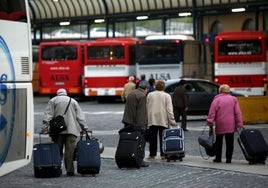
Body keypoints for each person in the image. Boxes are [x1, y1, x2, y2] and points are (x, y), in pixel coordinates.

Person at [42, 88, 88, 176]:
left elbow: (48, 115)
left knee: (57, 151)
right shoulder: (73, 101)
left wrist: (45, 129)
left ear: (57, 93)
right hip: (71, 131)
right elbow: (80, 116)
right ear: (66, 93)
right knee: (69, 152)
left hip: (57, 131)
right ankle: (70, 171)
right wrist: (84, 128)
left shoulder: (53, 101)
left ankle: (57, 169)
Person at [206, 84, 243, 163]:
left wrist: (210, 121)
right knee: (230, 142)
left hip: (220, 123)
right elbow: (237, 113)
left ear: (220, 91)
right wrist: (239, 123)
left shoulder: (216, 100)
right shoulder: (233, 99)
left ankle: (218, 158)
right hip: (230, 123)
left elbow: (212, 112)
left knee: (219, 142)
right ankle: (228, 159)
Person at [122, 80, 150, 167]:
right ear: (146, 89)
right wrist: (142, 126)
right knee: (140, 143)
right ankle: (140, 160)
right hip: (136, 124)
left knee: (129, 142)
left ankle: (128, 158)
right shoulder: (142, 96)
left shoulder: (132, 93)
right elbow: (141, 113)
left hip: (127, 121)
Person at [146, 80, 176, 160]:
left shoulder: (150, 95)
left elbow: (146, 107)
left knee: (152, 138)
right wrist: (172, 120)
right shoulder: (167, 96)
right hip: (163, 119)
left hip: (152, 119)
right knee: (164, 138)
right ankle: (164, 154)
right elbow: (169, 109)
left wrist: (146, 118)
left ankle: (152, 154)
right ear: (163, 87)